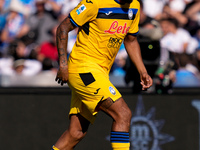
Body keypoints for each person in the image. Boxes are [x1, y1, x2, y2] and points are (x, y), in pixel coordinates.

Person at [53, 0, 153, 149]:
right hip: (83, 69)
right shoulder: (94, 3)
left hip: (100, 73)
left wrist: (143, 71)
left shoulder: (134, 6)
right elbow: (63, 28)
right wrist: (62, 64)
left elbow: (131, 40)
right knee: (123, 114)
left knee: (76, 132)